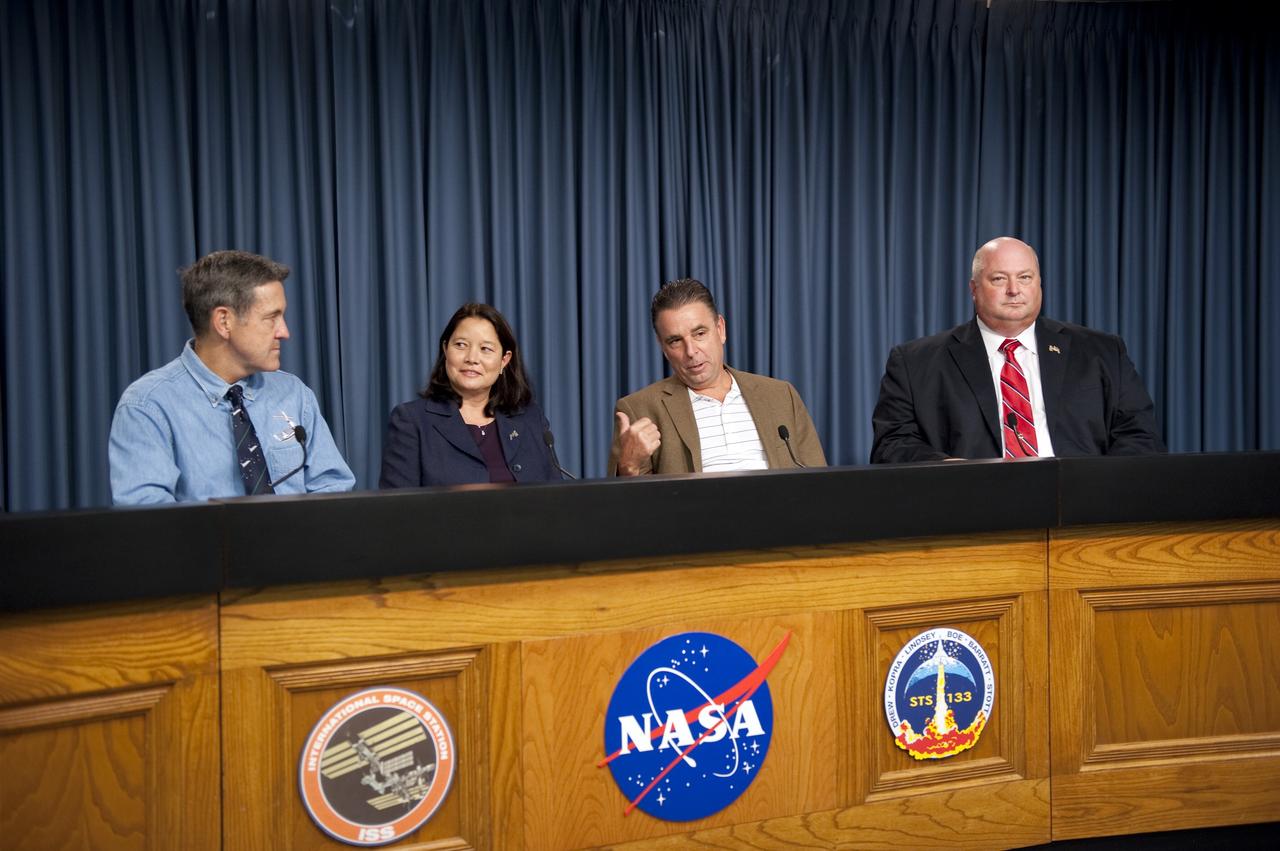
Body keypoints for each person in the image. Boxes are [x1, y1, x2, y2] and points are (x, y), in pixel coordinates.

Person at [870, 236, 1165, 463]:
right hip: (970, 504)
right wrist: (947, 470)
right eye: (999, 279)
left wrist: (1099, 485)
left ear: (1039, 284)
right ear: (974, 289)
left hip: (1082, 505)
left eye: (1025, 277)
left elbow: (1140, 435)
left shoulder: (1101, 351)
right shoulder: (915, 362)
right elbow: (891, 445)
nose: (1014, 290)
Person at [109, 250, 355, 503]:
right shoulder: (147, 406)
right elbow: (148, 515)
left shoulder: (294, 393)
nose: (284, 332)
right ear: (224, 321)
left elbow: (332, 488)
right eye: (271, 318)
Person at [609, 278, 826, 475]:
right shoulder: (639, 410)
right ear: (663, 347)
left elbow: (819, 484)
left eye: (699, 334)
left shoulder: (781, 395)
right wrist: (628, 467)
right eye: (675, 341)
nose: (691, 351)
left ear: (720, 329)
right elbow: (623, 504)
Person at [379, 303, 563, 487]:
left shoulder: (531, 419)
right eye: (461, 345)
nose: (472, 358)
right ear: (445, 349)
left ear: (504, 360)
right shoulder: (412, 421)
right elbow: (397, 503)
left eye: (485, 349)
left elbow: (556, 497)